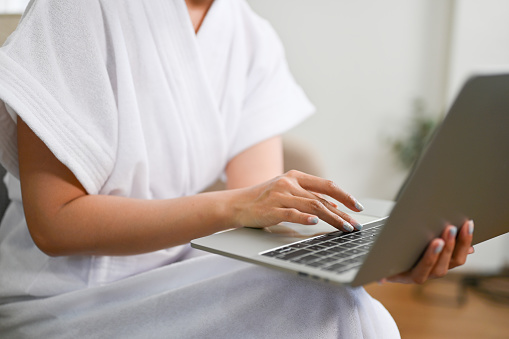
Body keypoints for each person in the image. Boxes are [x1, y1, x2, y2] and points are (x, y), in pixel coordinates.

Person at [0, 0, 474, 337]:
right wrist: (238, 205)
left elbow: (262, 230)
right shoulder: (78, 9)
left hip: (184, 271)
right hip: (65, 299)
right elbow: (55, 223)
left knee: (335, 304)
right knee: (344, 318)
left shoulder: (251, 37)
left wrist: (378, 259)